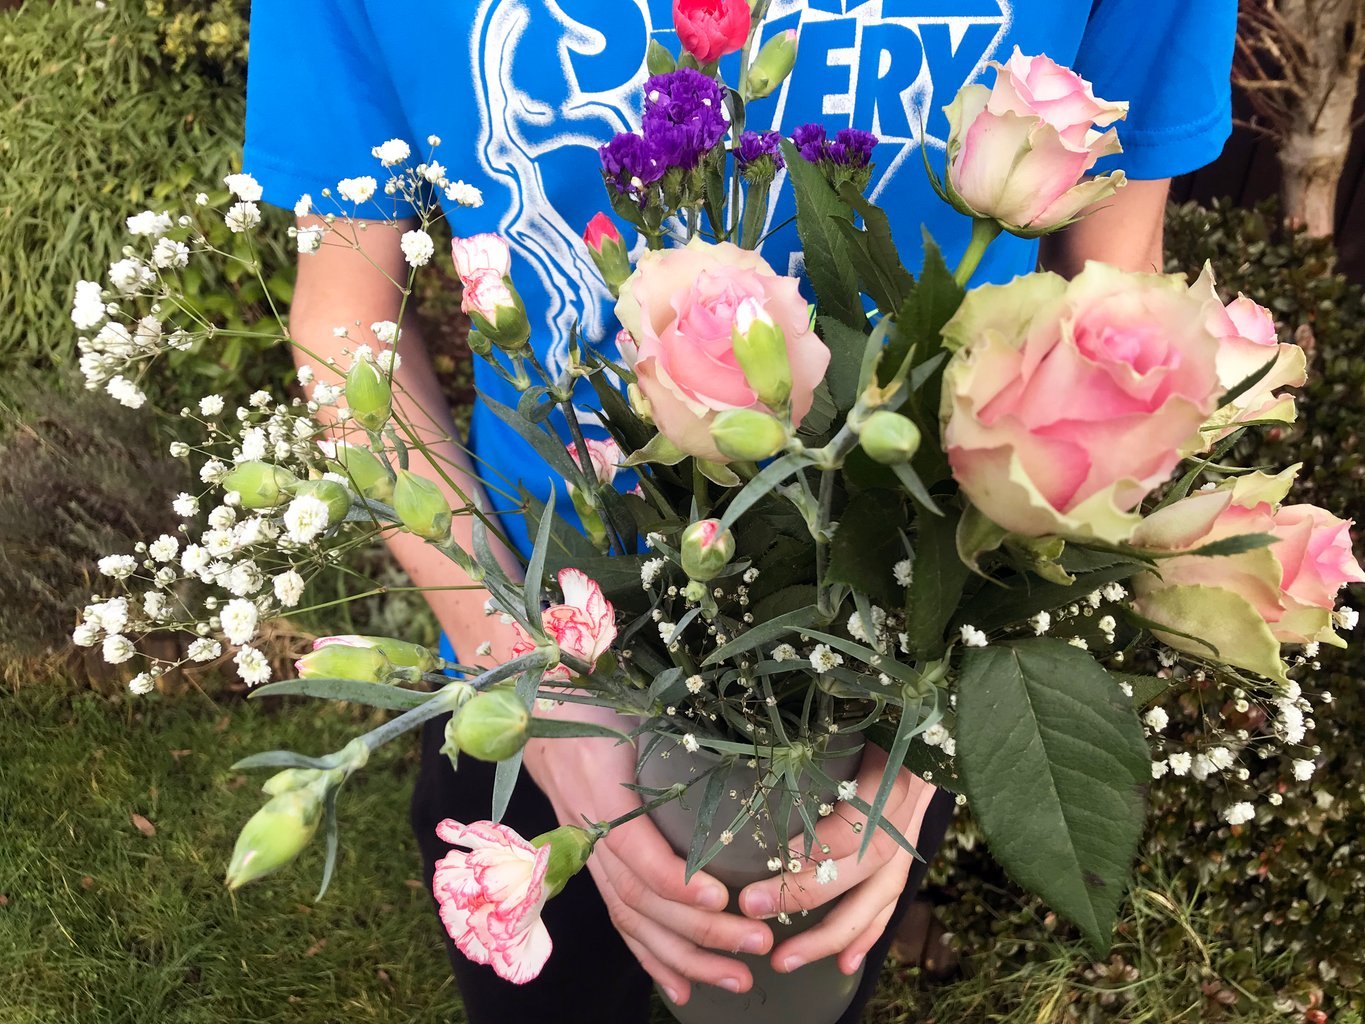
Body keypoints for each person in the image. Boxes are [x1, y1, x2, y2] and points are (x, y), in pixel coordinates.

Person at [244, 2, 1236, 1020]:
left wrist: (927, 724)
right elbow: (344, 319)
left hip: (872, 707)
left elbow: (1110, 305)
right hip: (544, 672)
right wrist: (533, 692)